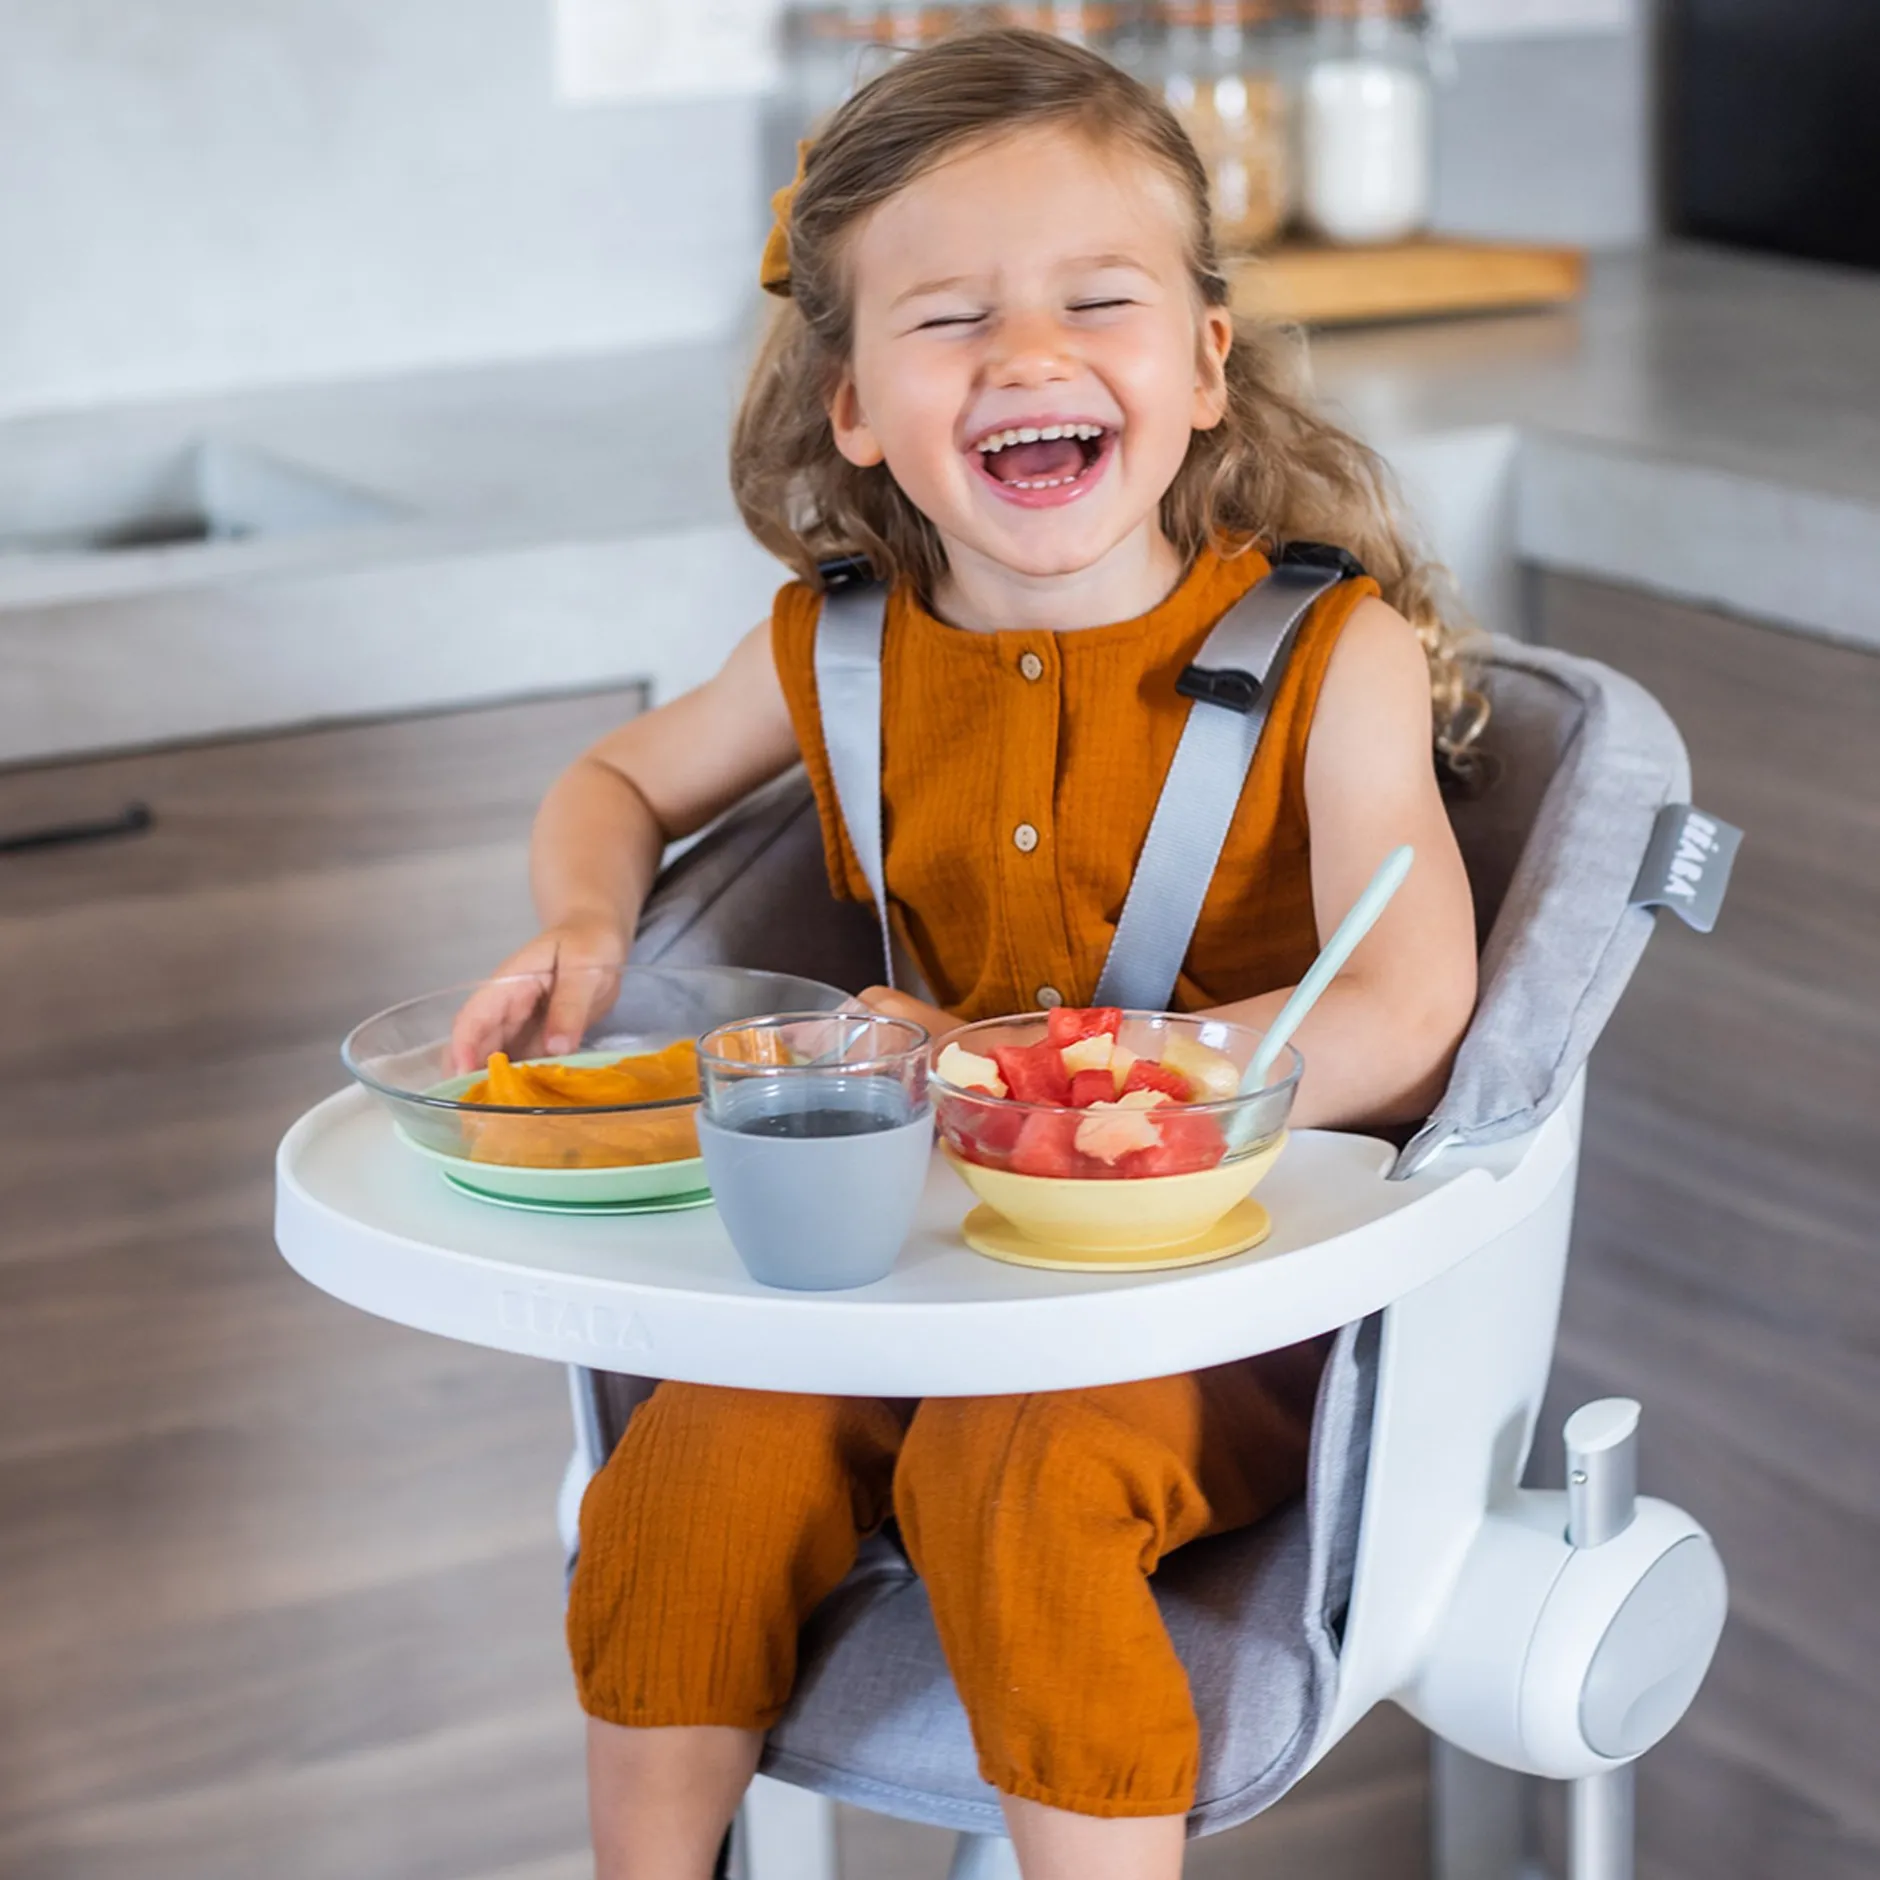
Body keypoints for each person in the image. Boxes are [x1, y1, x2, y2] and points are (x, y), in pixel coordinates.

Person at [456, 27, 1480, 1880]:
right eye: (949, 320)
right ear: (854, 404)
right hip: (920, 1266)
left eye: (1097, 299)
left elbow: (1407, 1009)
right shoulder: (836, 650)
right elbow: (615, 777)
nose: (1026, 354)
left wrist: (1037, 1079)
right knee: (686, 1474)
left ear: (1203, 365)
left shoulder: (1339, 662)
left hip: (1223, 1295)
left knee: (1010, 1477)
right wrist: (589, 920)